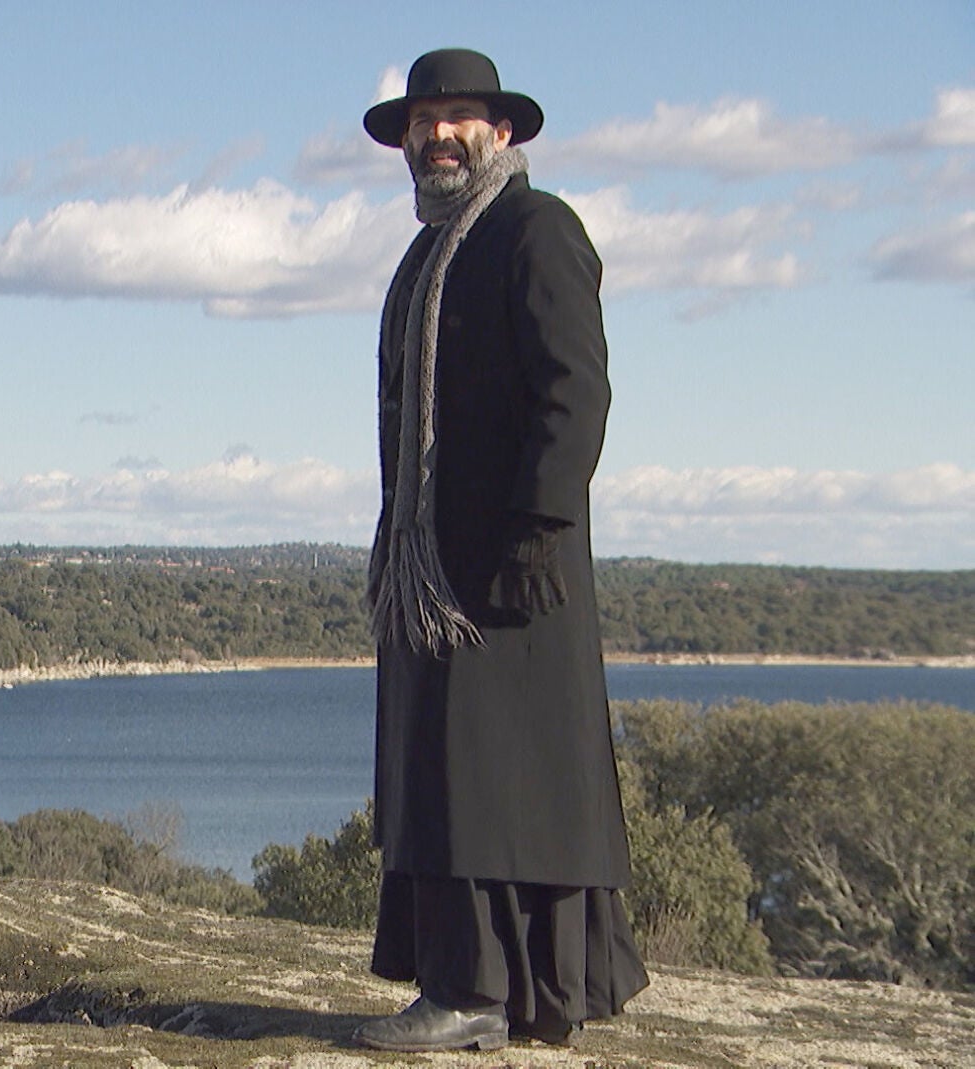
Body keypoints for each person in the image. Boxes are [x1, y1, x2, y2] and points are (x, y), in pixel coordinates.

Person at [353, 49, 648, 1052]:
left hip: (513, 571)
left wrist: (538, 529)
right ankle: (479, 988)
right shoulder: (427, 256)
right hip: (435, 571)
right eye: (420, 120)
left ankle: (478, 990)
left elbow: (576, 391)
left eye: (456, 117)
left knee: (497, 785)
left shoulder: (535, 229)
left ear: (501, 132)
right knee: (447, 779)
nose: (435, 135)